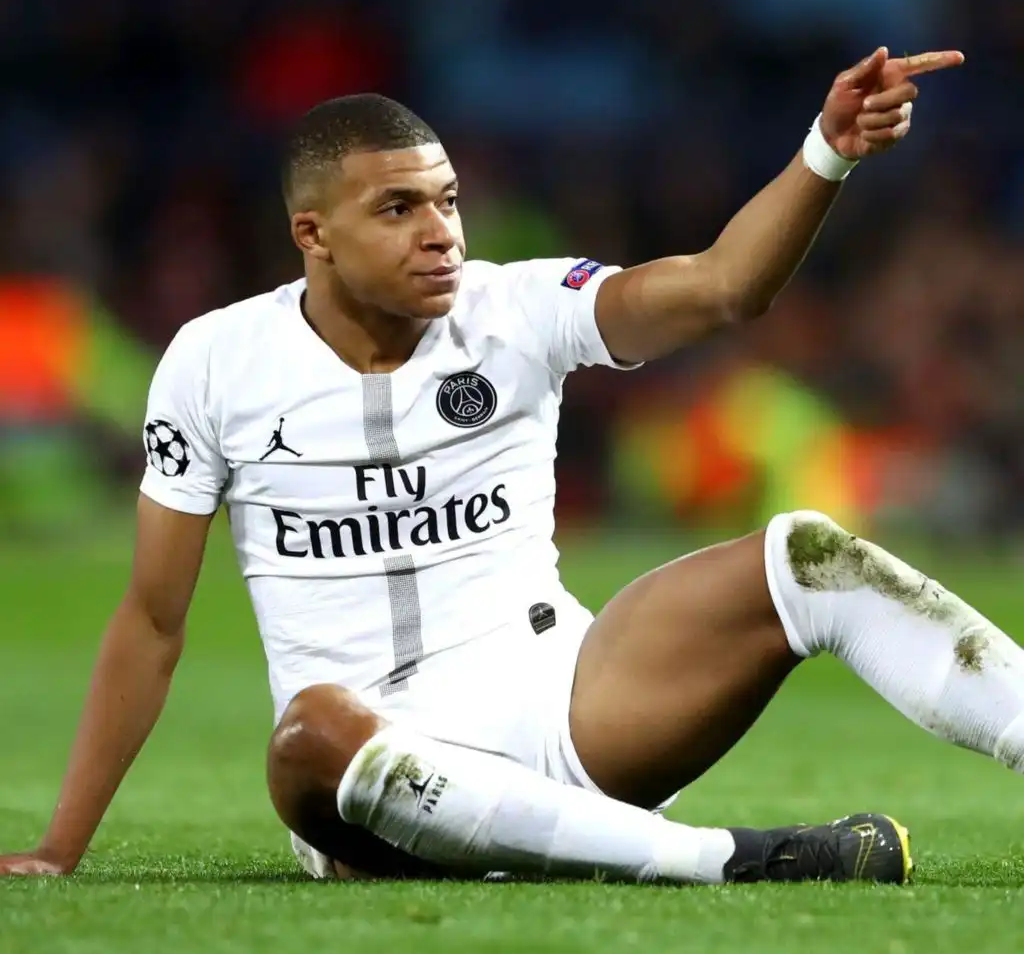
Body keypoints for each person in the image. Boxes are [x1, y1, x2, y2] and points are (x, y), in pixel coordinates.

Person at [8, 45, 1006, 888]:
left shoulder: (518, 308)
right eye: (397, 209)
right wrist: (60, 848)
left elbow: (721, 288)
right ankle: (734, 860)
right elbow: (152, 622)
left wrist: (826, 151)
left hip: (567, 712)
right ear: (313, 234)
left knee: (808, 556)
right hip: (374, 778)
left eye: (446, 201)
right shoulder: (214, 362)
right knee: (308, 733)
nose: (441, 232)